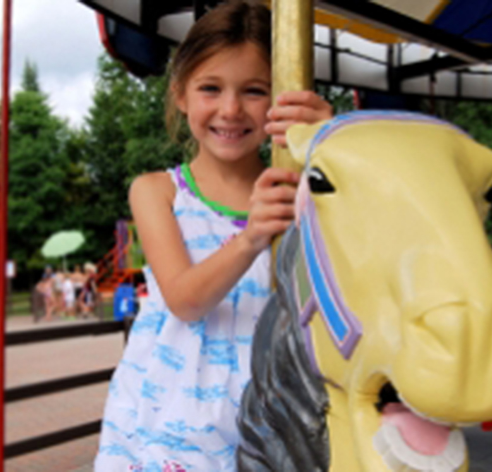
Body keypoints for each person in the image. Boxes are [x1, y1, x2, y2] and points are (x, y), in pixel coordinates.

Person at [94, 2, 332, 470]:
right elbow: (185, 299)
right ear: (180, 94)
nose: (230, 110)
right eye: (210, 88)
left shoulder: (302, 193)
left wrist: (330, 149)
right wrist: (251, 237)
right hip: (168, 422)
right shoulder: (156, 191)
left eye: (255, 91)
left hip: (271, 419)